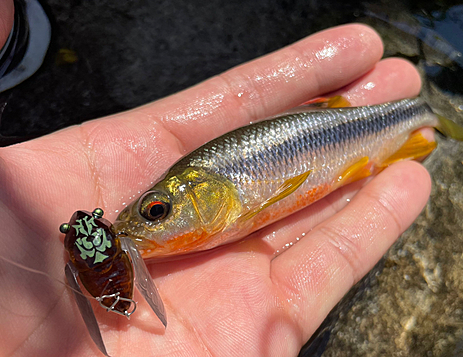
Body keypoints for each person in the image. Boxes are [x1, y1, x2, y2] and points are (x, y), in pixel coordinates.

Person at [0, 5, 431, 355]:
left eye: (156, 211)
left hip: (351, 131)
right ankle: (423, 111)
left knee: (404, 125)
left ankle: (422, 110)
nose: (133, 231)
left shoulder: (227, 198)